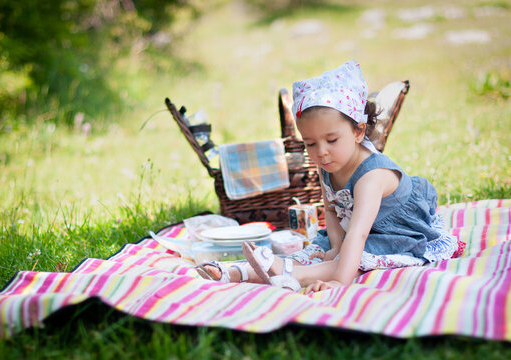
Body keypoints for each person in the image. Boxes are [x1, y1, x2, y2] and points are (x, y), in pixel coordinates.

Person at [196, 60, 462, 293]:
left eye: (332, 139)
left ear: (358, 131)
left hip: (393, 232)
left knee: (355, 259)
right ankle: (240, 273)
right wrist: (335, 245)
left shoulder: (372, 176)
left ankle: (283, 273)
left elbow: (358, 234)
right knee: (317, 252)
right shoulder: (329, 165)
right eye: (310, 143)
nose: (321, 152)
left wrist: (338, 281)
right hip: (355, 230)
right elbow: (332, 211)